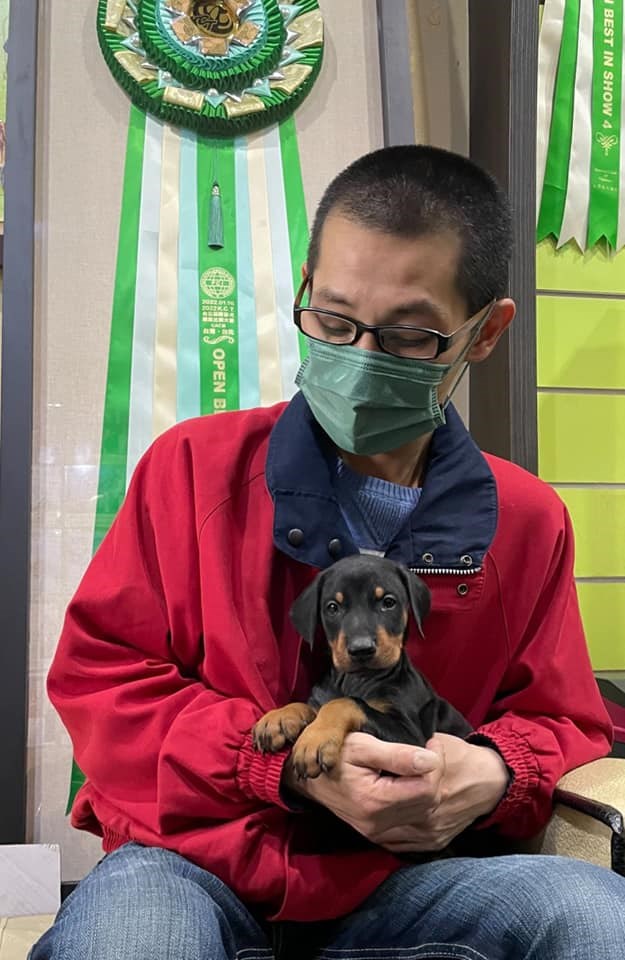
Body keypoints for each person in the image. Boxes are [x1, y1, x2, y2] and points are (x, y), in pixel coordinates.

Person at [32, 145, 625, 960]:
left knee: (596, 916)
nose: (360, 359)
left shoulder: (526, 520)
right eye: (335, 322)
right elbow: (102, 683)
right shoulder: (191, 470)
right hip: (191, 862)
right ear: (304, 289)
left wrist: (496, 771)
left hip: (412, 878)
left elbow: (562, 718)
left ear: (485, 331)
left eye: (410, 336)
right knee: (133, 942)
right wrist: (275, 765)